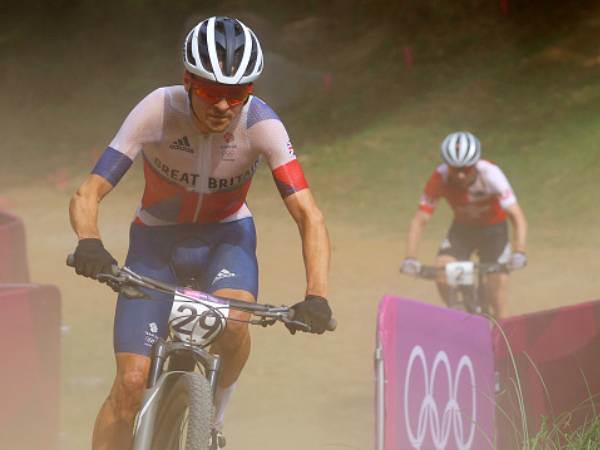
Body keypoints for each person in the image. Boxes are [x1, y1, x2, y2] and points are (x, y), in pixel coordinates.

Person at [68, 16, 332, 450]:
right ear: (188, 82)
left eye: (237, 94)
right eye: (211, 91)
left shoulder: (262, 124)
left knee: (235, 323)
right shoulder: (158, 109)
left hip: (227, 241)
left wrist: (317, 295)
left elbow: (309, 216)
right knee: (130, 384)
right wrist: (89, 242)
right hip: (155, 243)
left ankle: (212, 419)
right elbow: (88, 192)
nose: (224, 106)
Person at [400, 131, 527, 319]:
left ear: (475, 164)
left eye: (466, 169)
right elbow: (420, 220)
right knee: (442, 272)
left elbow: (517, 217)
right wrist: (410, 258)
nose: (460, 175)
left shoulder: (491, 174)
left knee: (496, 291)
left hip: (494, 232)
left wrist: (519, 252)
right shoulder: (439, 178)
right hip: (463, 231)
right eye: (454, 169)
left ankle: (504, 334)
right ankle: (458, 314)